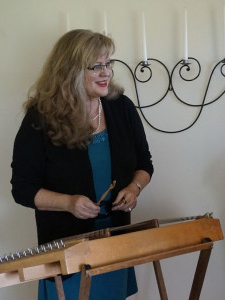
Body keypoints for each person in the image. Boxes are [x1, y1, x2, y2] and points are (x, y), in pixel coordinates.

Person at [11, 29, 153, 300]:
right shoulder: (40, 118)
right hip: (66, 251)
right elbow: (22, 189)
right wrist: (68, 203)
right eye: (97, 66)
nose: (107, 73)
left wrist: (135, 188)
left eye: (108, 64)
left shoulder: (121, 107)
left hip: (116, 240)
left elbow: (145, 164)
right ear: (71, 70)